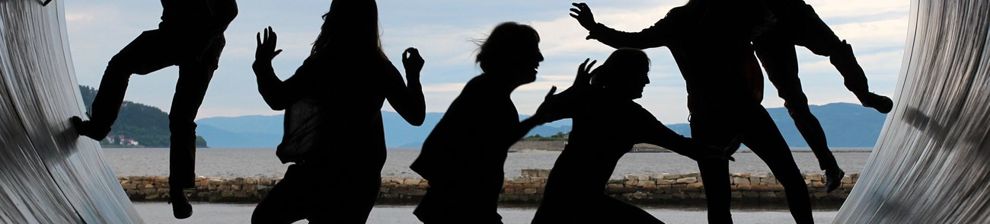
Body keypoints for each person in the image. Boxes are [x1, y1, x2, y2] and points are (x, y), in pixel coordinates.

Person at [570, 1, 815, 223]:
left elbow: (634, 40)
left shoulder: (679, 20)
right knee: (790, 178)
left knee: (718, 200)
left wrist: (594, 26)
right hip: (743, 110)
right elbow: (770, 20)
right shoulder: (733, 12)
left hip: (707, 116)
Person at [249, 0, 426, 223]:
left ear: (333, 20)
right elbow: (415, 115)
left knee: (265, 218)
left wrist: (263, 66)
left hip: (317, 172)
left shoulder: (322, 64)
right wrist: (413, 75)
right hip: (360, 178)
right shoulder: (378, 67)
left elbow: (278, 98)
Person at [69, 0, 237, 219]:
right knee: (121, 66)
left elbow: (230, 9)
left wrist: (202, 43)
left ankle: (177, 191)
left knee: (181, 117)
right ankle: (98, 126)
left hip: (204, 43)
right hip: (174, 34)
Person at [532, 49, 729, 224]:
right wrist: (717, 151)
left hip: (562, 196)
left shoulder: (591, 99)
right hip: (580, 201)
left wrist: (572, 92)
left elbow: (543, 114)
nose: (647, 81)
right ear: (626, 75)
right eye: (643, 74)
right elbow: (683, 145)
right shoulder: (632, 115)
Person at [409, 22, 559, 224]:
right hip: (462, 210)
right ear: (513, 56)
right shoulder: (487, 94)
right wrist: (537, 119)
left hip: (460, 207)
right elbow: (494, 143)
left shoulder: (484, 90)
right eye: (533, 51)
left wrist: (537, 119)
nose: (540, 58)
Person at [754, 0, 893, 192]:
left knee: (836, 50)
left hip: (790, 13)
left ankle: (864, 95)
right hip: (765, 32)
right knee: (795, 102)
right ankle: (830, 166)